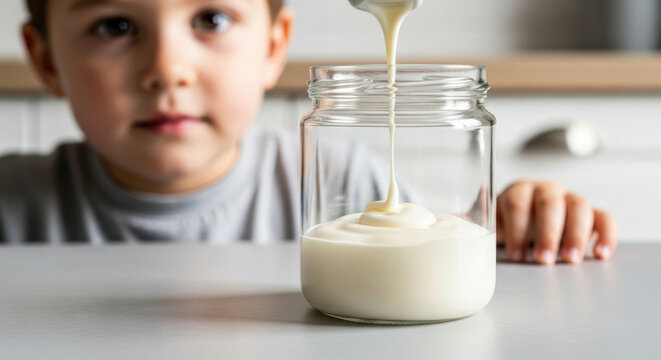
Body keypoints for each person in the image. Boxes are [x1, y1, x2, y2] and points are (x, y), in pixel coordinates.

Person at [0, 0, 616, 265]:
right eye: (114, 26)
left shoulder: (345, 179)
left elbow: (442, 260)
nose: (167, 71)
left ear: (274, 48)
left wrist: (512, 221)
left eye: (211, 18)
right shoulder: (11, 203)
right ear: (48, 59)